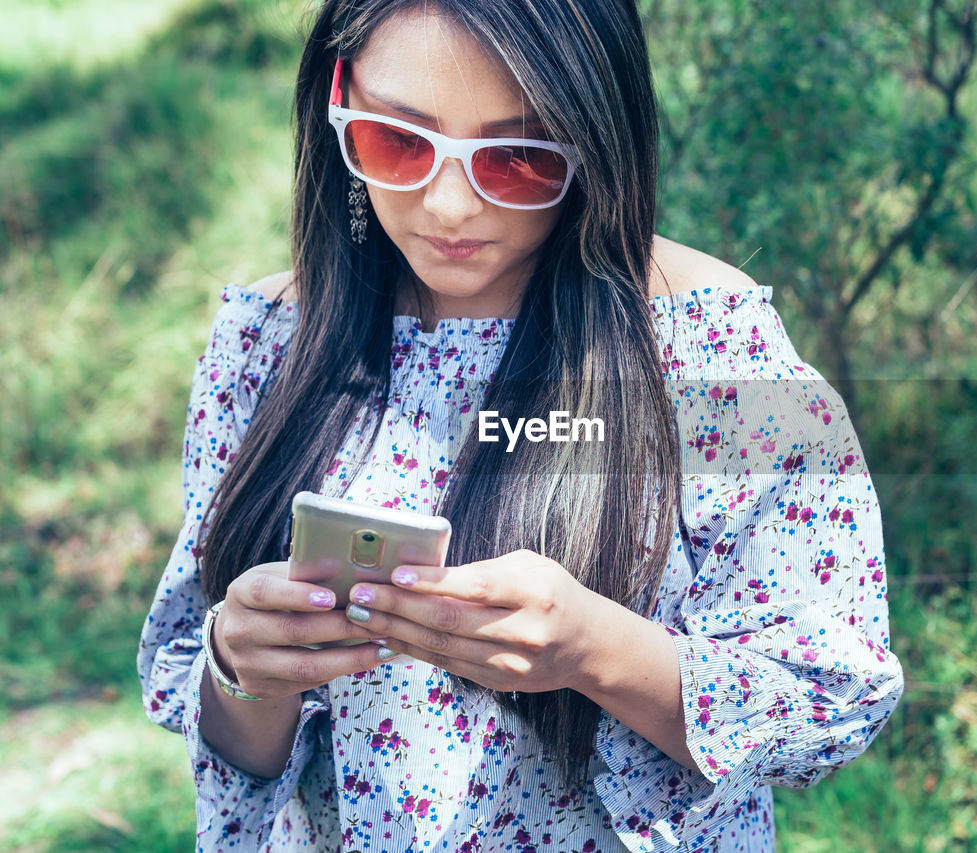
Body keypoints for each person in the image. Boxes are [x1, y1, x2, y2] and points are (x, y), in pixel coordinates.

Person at [138, 0, 904, 850]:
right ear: (338, 107)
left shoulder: (708, 344)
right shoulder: (273, 336)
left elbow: (830, 691)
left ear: (596, 140)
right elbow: (225, 734)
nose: (450, 204)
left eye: (515, 157)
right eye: (398, 142)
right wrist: (247, 668)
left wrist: (592, 649)